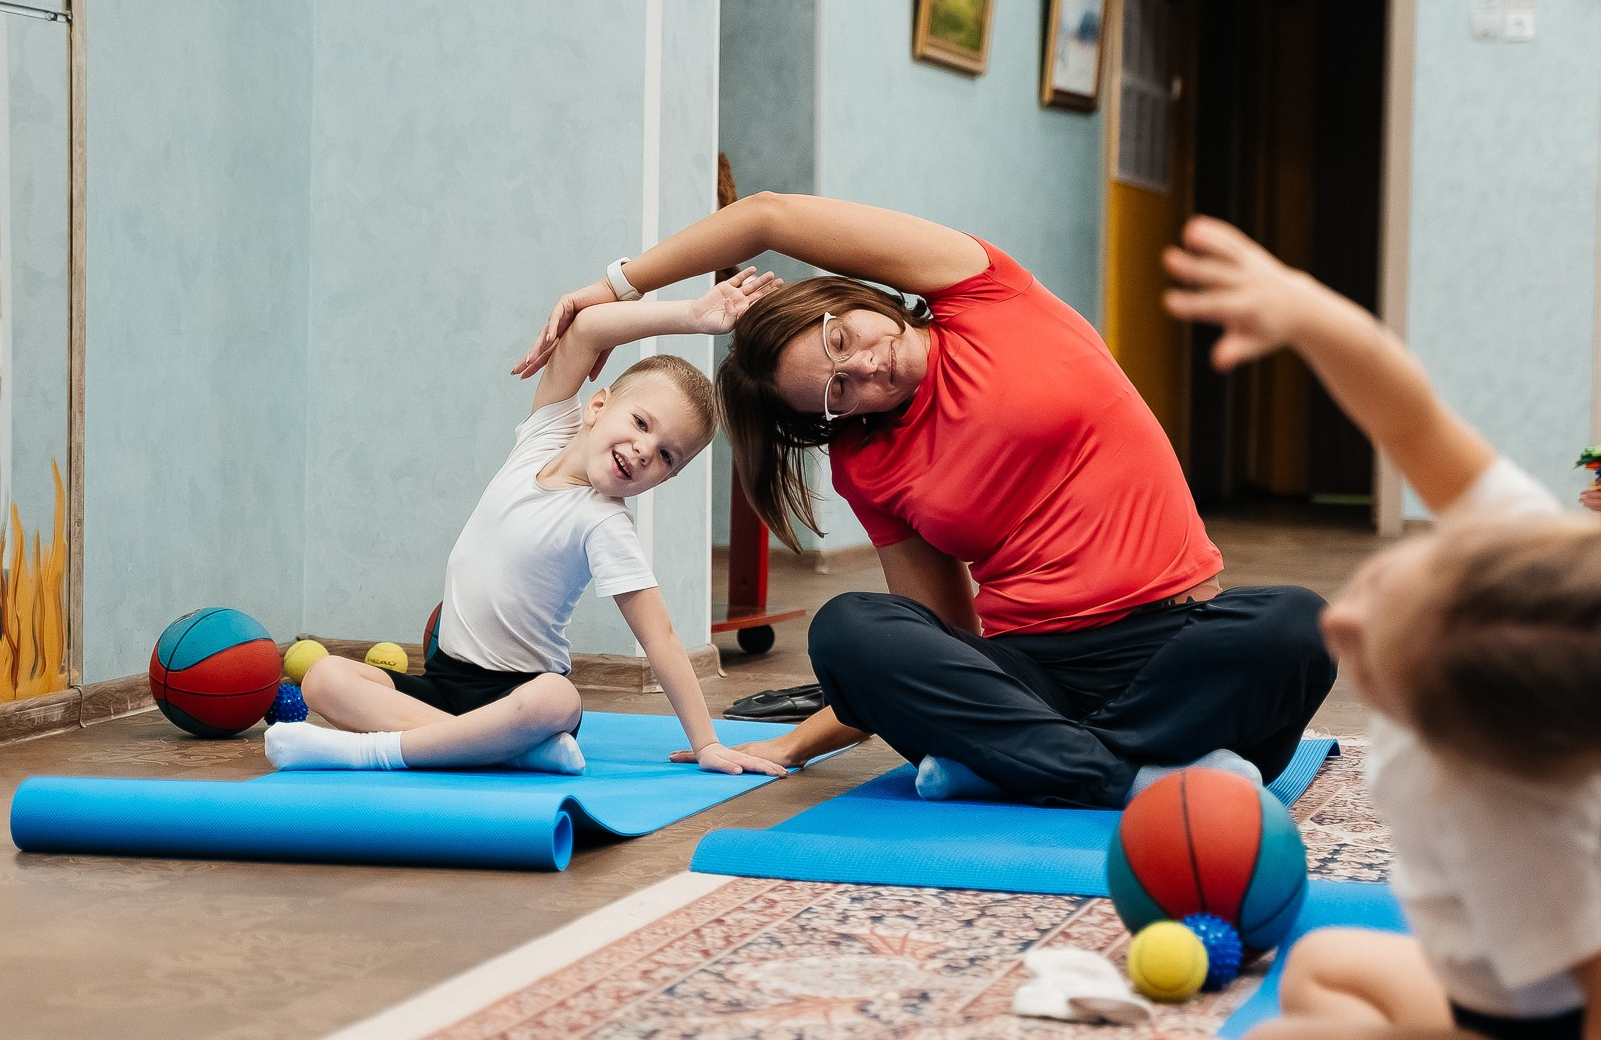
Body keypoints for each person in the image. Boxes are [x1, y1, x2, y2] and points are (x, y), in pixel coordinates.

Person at [1153, 216, 1601, 1040]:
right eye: (1382, 584)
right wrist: (1308, 309)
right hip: (1504, 1018)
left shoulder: (1531, 805)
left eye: (1373, 666)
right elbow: (1409, 412)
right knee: (1324, 961)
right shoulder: (1525, 568)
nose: (1338, 622)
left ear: (1468, 742)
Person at [517, 192, 1334, 810]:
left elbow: (765, 216)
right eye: (835, 394)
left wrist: (610, 286)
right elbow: (945, 638)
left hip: (1175, 644)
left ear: (853, 301)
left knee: (1296, 627)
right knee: (850, 630)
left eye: (842, 341)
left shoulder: (986, 294)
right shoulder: (868, 464)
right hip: (1035, 671)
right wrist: (796, 746)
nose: (864, 369)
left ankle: (1039, 764)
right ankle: (1143, 772)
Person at [271, 270, 788, 778]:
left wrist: (706, 744)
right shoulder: (544, 435)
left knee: (557, 698)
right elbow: (586, 329)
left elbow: (662, 639)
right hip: (446, 682)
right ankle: (504, 752)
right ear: (598, 405)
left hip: (519, 694)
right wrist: (692, 315)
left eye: (666, 456)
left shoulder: (603, 522)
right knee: (324, 678)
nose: (643, 450)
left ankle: (373, 752)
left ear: (664, 479)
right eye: (641, 423)